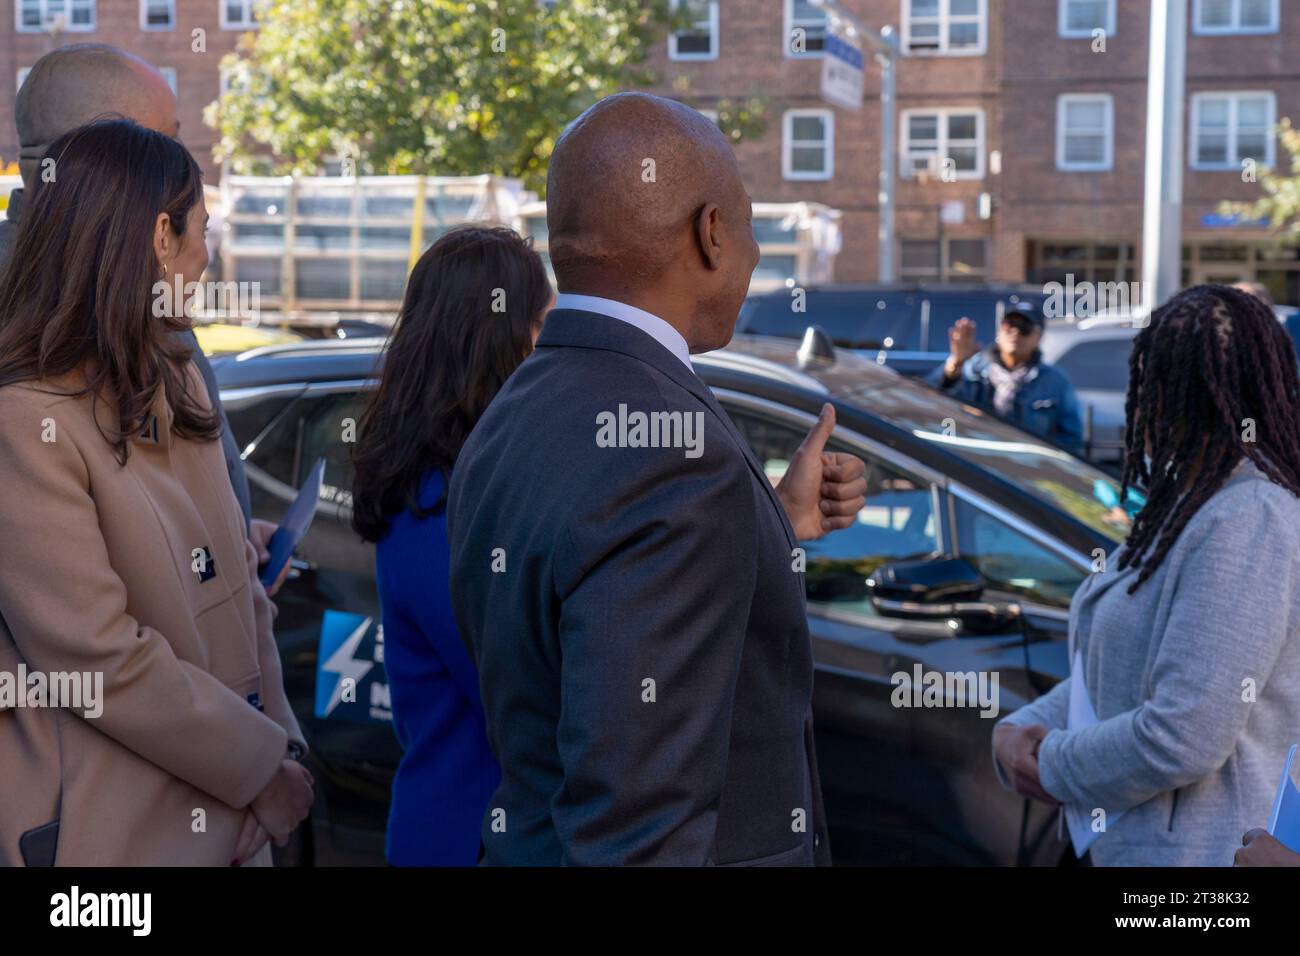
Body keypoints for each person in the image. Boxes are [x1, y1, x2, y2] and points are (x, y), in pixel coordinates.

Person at [446, 92, 868, 866]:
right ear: (710, 234)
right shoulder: (674, 459)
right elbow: (637, 830)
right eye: (747, 223)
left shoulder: (518, 406)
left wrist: (773, 518)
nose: (756, 253)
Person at [0, 119, 312, 865]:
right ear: (159, 235)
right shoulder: (25, 422)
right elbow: (96, 658)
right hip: (118, 841)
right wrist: (260, 767)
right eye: (203, 230)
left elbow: (240, 593)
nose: (210, 258)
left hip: (236, 818)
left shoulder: (175, 374)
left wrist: (283, 748)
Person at [992, 284, 1300, 866]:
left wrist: (1052, 761)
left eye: (1152, 382)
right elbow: (1122, 670)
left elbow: (1184, 734)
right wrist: (1025, 728)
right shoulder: (1192, 500)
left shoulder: (1249, 519)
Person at [0, 43, 285, 592]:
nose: (183, 167)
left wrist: (233, 541)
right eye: (163, 141)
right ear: (99, 162)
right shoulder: (38, 317)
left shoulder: (145, 287)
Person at [350, 226, 553, 866]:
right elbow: (528, 700)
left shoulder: (473, 482)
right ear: (498, 339)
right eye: (544, 325)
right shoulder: (436, 506)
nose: (554, 348)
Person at [927, 302, 1084, 454]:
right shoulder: (972, 368)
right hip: (975, 463)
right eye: (1009, 325)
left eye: (1024, 328)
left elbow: (1071, 440)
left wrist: (1043, 459)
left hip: (1028, 469)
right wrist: (956, 362)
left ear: (1038, 337)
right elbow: (930, 402)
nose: (1015, 332)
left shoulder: (1055, 381)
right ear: (999, 331)